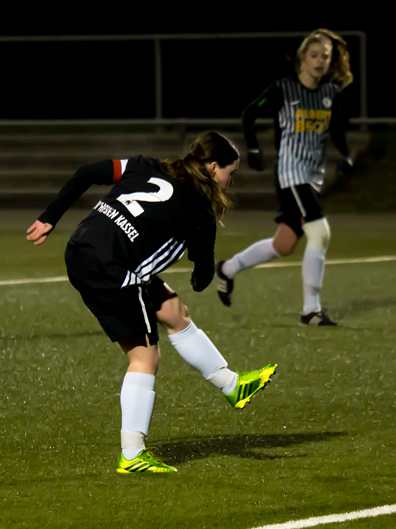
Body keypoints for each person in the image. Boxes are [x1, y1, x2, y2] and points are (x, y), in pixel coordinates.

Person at [25, 131, 277, 474]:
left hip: (83, 245)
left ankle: (232, 385)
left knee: (174, 312)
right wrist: (199, 254)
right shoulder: (200, 212)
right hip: (111, 268)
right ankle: (132, 454)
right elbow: (203, 280)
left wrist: (50, 217)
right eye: (228, 173)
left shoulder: (146, 165)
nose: (229, 181)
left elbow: (86, 172)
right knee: (145, 356)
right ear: (213, 166)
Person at [215, 28, 354, 326]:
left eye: (325, 57)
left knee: (284, 244)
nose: (319, 61)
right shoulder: (283, 89)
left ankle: (226, 269)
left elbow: (337, 129)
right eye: (314, 55)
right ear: (303, 58)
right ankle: (310, 310)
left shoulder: (330, 94)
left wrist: (347, 156)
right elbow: (250, 112)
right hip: (290, 173)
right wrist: (252, 147)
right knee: (320, 232)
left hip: (311, 177)